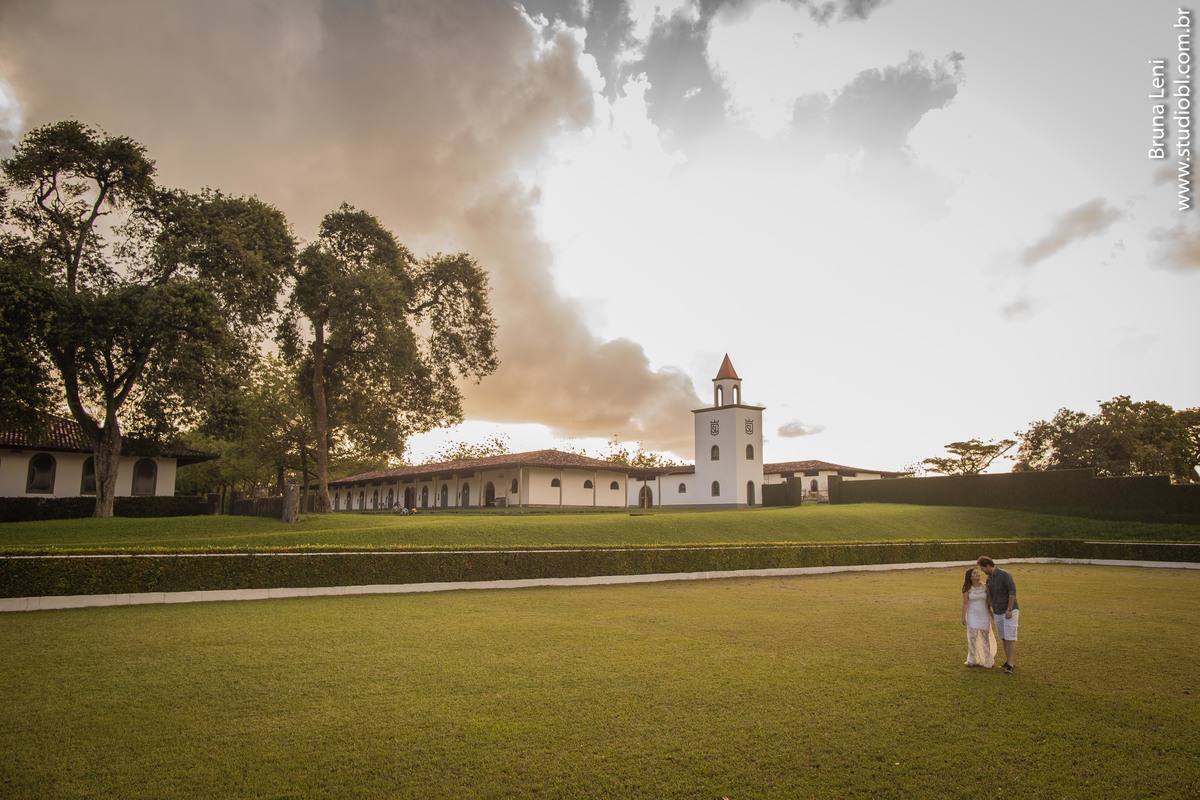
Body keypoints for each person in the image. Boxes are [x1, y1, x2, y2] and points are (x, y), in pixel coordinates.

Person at [977, 556, 1019, 674]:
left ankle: (1010, 664)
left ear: (988, 566)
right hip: (998, 612)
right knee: (1004, 637)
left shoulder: (1005, 575)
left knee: (1010, 637)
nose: (982, 571)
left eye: (982, 568)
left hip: (1009, 610)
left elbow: (1012, 592)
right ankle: (1008, 660)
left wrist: (1009, 609)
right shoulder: (989, 579)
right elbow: (990, 597)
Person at [961, 566, 996, 668]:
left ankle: (987, 659)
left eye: (978, 573)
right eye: (975, 573)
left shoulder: (985, 586)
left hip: (984, 614)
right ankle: (972, 658)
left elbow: (989, 601)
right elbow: (965, 603)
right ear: (970, 577)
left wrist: (993, 613)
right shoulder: (967, 589)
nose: (978, 574)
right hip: (972, 614)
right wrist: (963, 616)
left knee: (985, 636)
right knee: (973, 636)